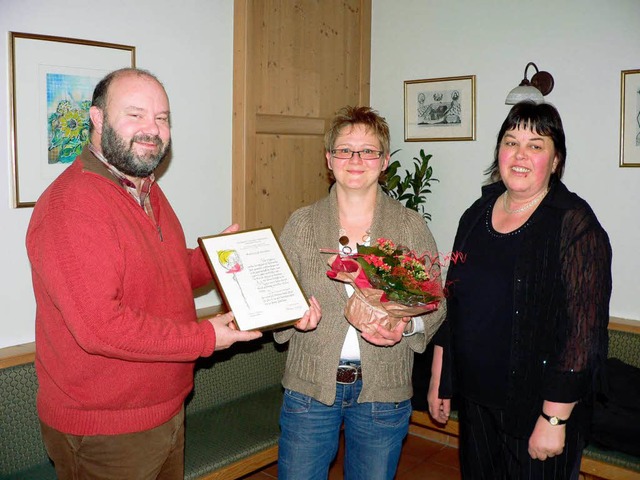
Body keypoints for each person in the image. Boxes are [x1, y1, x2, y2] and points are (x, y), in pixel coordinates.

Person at [25, 67, 275, 479]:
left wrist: (219, 256)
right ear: (98, 119)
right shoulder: (73, 206)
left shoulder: (144, 188)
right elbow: (100, 327)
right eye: (136, 114)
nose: (152, 129)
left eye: (162, 118)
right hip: (107, 433)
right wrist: (207, 335)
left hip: (164, 410)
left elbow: (164, 271)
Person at [427, 101, 612, 480]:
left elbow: (584, 333)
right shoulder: (476, 214)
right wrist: (439, 378)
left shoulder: (574, 224)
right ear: (499, 152)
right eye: (511, 142)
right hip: (477, 403)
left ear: (556, 159)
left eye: (536, 145)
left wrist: (554, 417)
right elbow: (455, 303)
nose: (520, 154)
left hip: (539, 407)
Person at [274, 106, 446, 480]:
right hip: (310, 389)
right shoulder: (301, 223)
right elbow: (278, 298)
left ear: (384, 161)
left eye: (368, 151)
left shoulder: (409, 226)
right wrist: (292, 316)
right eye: (344, 149)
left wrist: (408, 327)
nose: (355, 159)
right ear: (328, 158)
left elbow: (436, 305)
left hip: (383, 390)